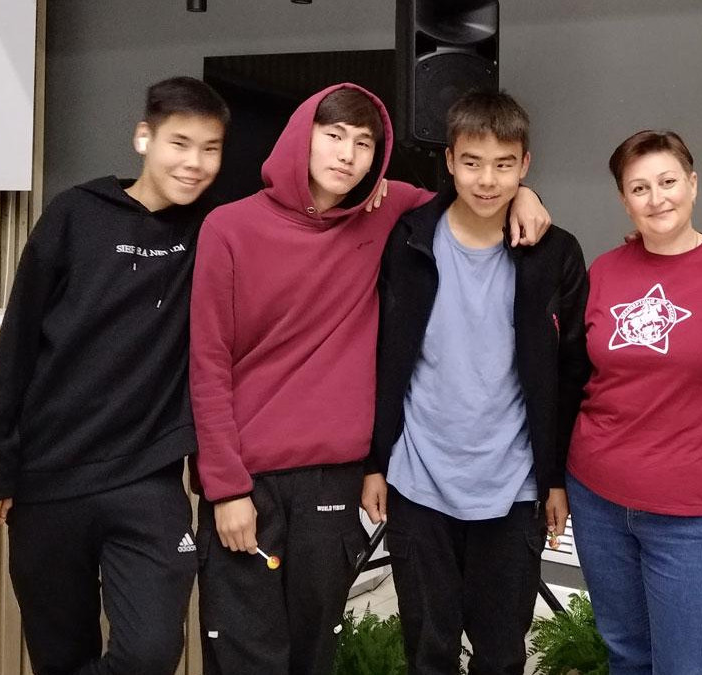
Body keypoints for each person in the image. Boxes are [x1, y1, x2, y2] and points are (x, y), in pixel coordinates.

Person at [189, 83, 551, 675]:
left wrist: (526, 196)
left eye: (364, 143)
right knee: (245, 653)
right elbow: (206, 364)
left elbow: (475, 190)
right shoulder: (228, 227)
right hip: (250, 479)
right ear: (301, 137)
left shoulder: (386, 215)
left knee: (315, 653)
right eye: (333, 136)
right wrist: (225, 488)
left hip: (335, 476)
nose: (347, 155)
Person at [0, 76, 229, 675]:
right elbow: (18, 341)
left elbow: (292, 202)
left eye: (210, 148)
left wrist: (376, 190)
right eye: (180, 143)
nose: (195, 163)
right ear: (143, 138)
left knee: (150, 652)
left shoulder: (214, 229)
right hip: (48, 475)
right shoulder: (76, 214)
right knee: (59, 656)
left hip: (147, 477)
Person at [360, 90, 589, 675]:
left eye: (504, 165)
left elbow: (570, 372)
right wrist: (375, 462)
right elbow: (385, 356)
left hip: (513, 486)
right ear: (449, 160)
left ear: (525, 164)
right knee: (428, 652)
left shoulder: (555, 253)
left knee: (502, 654)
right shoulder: (408, 239)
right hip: (417, 479)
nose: (487, 180)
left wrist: (554, 477)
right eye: (472, 162)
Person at [565, 130, 702, 675]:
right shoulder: (604, 271)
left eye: (667, 182)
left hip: (689, 512)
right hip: (596, 496)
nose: (656, 198)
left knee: (687, 666)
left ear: (693, 183)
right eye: (639, 188)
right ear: (624, 200)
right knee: (626, 654)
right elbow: (576, 375)